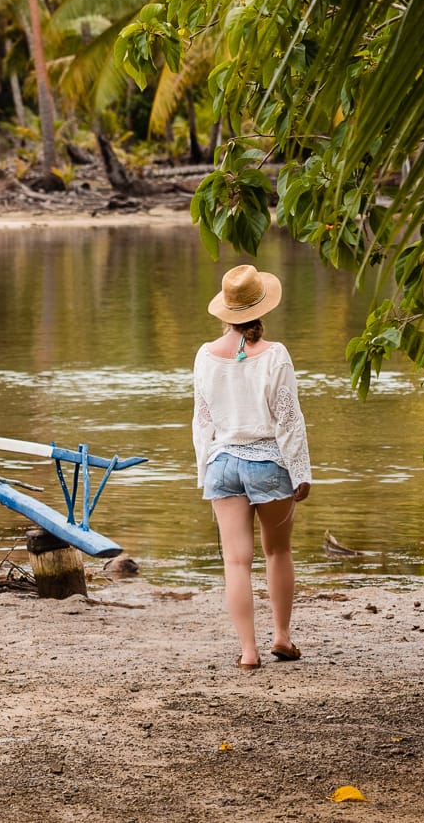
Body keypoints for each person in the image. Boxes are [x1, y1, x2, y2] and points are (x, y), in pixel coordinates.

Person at [190, 263, 312, 669]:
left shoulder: (205, 356)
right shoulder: (274, 354)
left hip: (222, 463)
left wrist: (202, 469)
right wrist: (301, 472)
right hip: (268, 462)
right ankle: (281, 637)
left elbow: (202, 421)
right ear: (261, 308)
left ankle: (248, 651)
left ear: (225, 311)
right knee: (277, 552)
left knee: (235, 561)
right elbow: (288, 419)